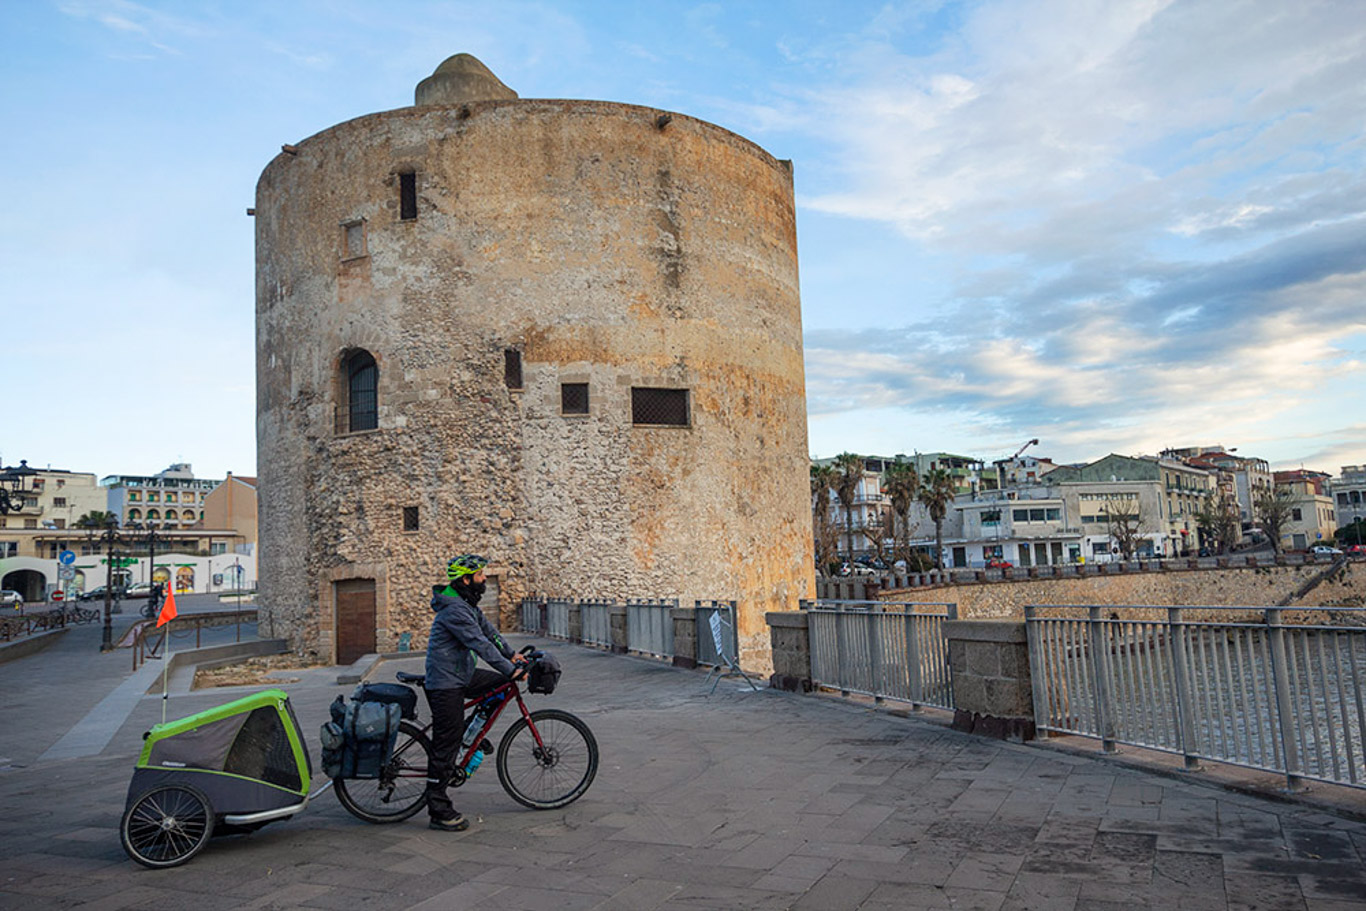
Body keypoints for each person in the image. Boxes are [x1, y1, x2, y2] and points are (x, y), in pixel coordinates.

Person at [423, 553, 525, 831]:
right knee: (446, 743)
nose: (483, 580)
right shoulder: (454, 610)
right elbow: (478, 643)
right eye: (480, 576)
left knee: (501, 687)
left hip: (462, 675)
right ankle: (438, 809)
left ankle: (471, 735)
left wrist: (512, 655)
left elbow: (489, 633)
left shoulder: (467, 605)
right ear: (466, 579)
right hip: (445, 683)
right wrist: (509, 668)